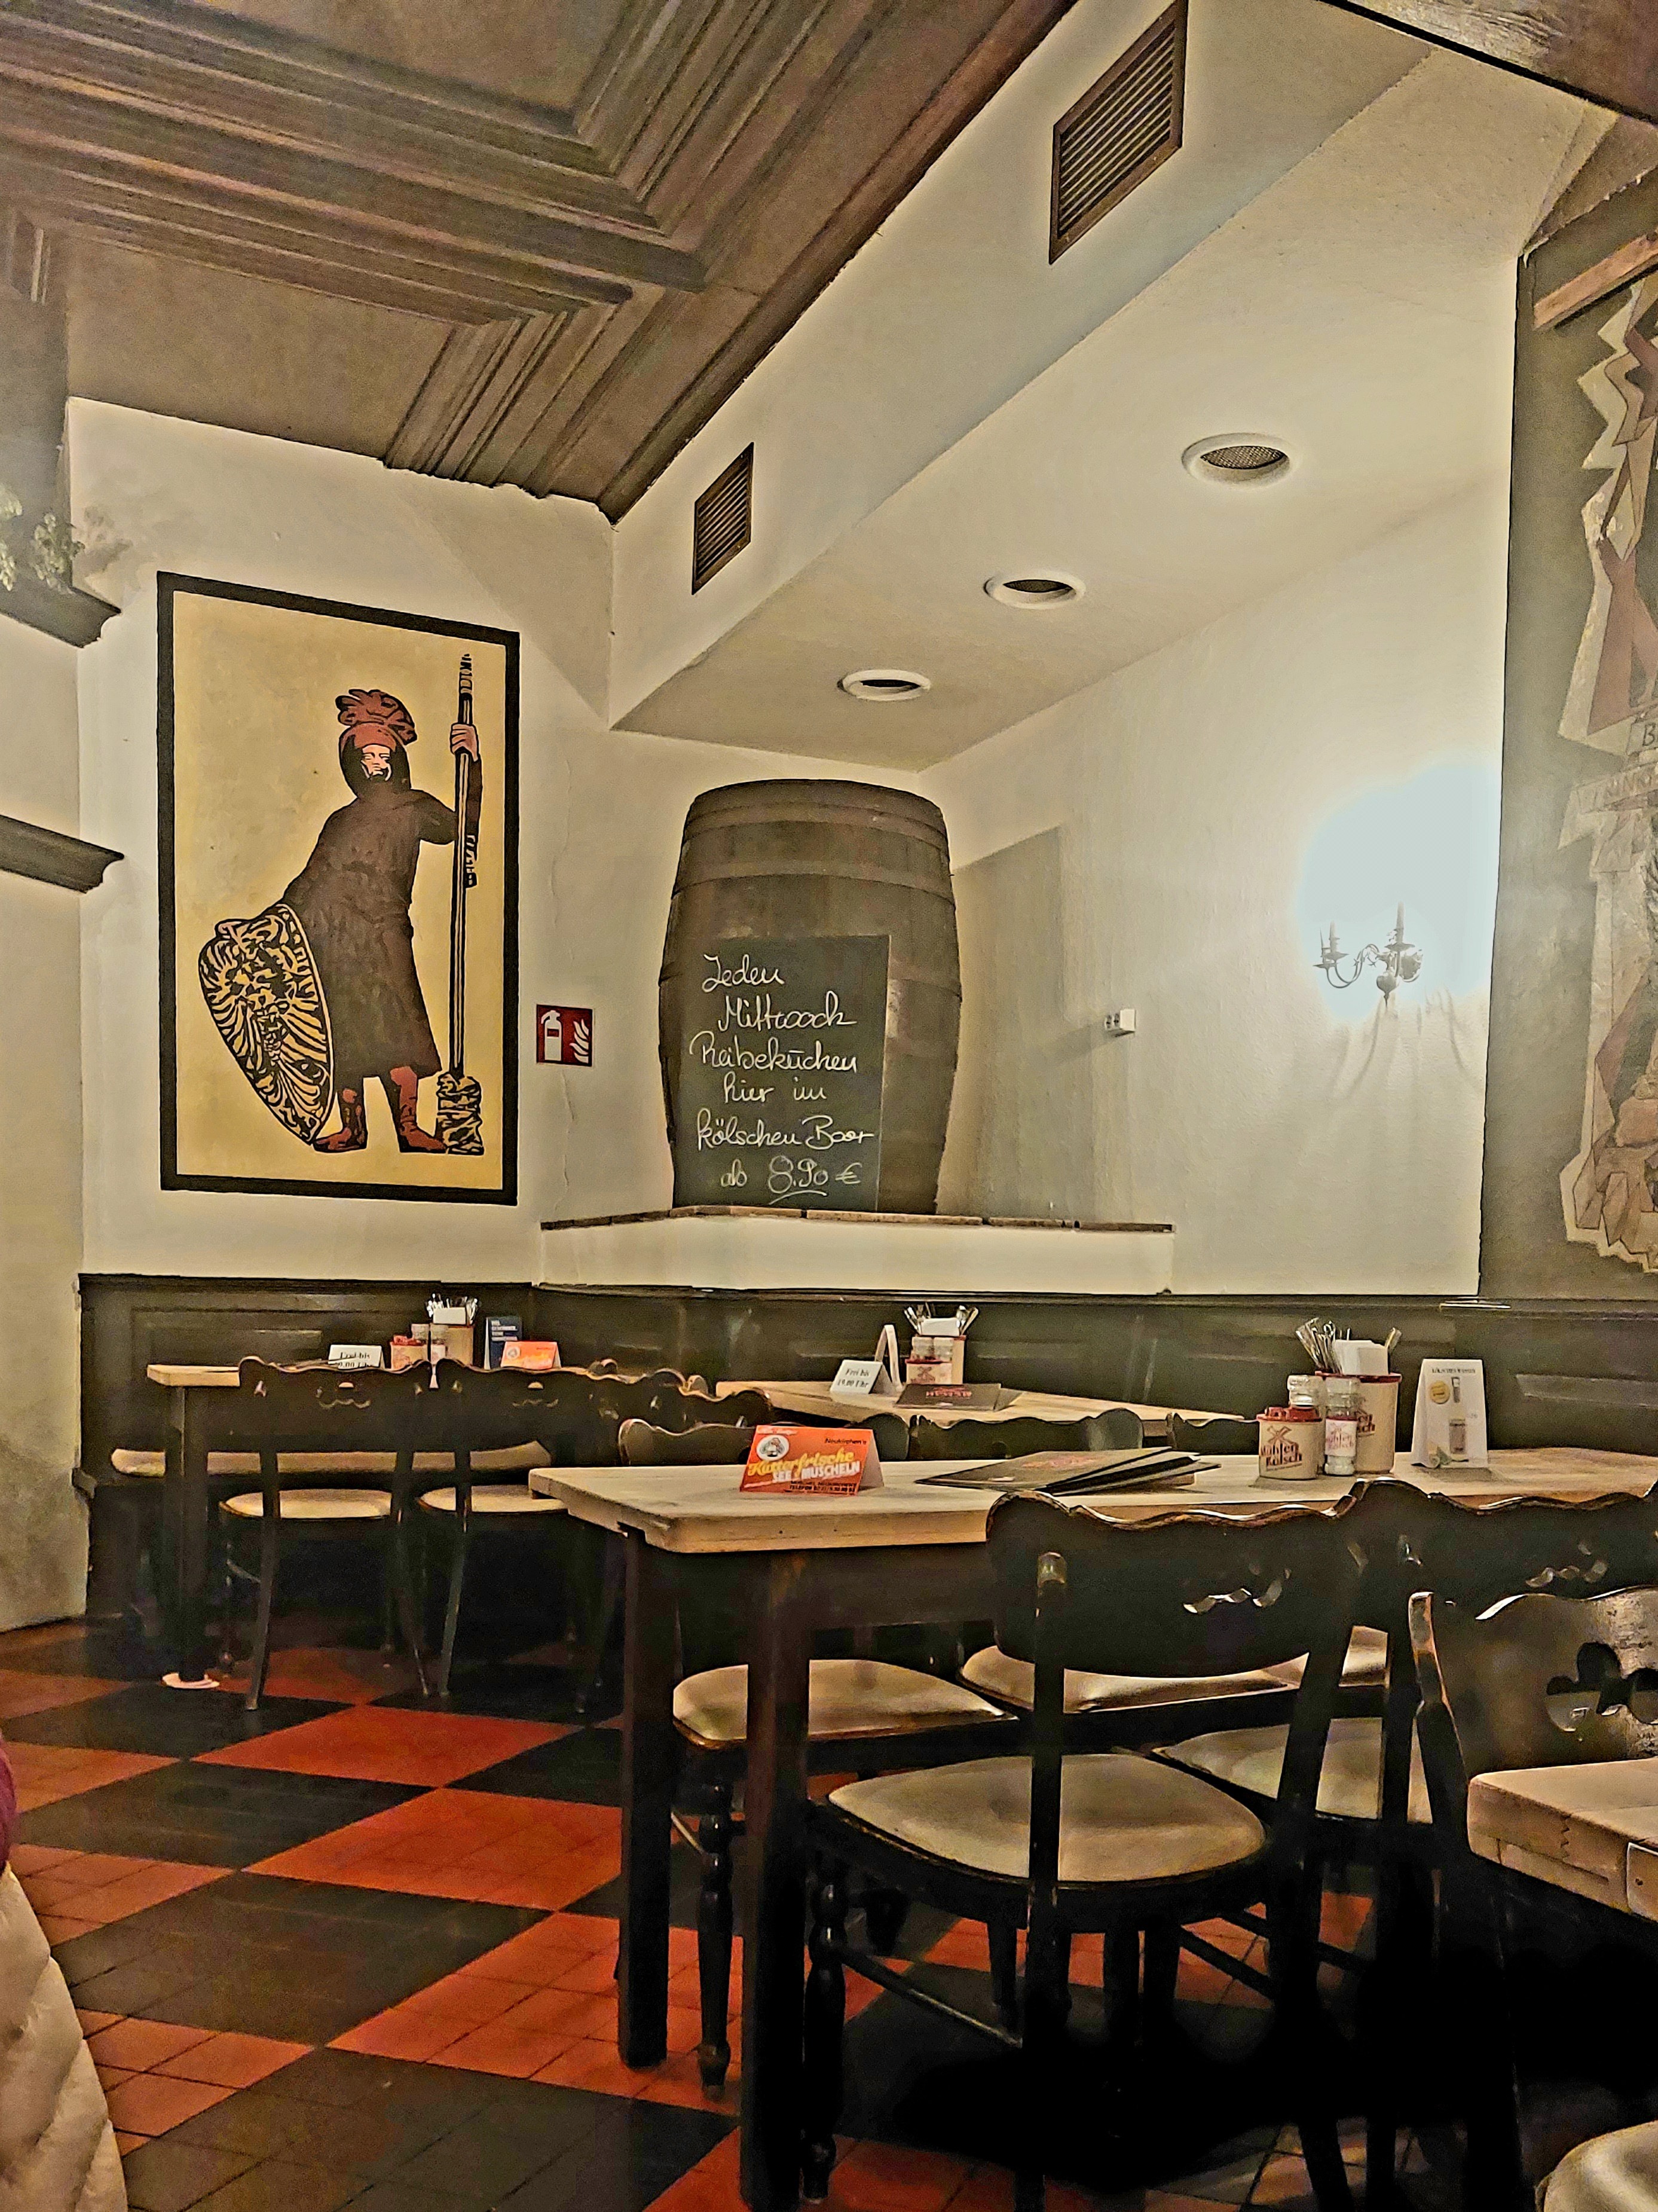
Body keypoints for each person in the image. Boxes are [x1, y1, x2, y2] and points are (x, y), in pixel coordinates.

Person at [279, 688, 480, 1153]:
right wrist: (276, 922)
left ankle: (409, 1128)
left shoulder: (414, 807)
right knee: (343, 1032)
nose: (375, 763)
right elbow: (313, 877)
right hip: (332, 932)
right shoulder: (340, 820)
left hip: (384, 927)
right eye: (367, 755)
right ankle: (353, 1129)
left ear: (396, 759)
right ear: (353, 763)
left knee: (398, 1029)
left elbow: (462, 825)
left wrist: (474, 763)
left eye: (383, 754)